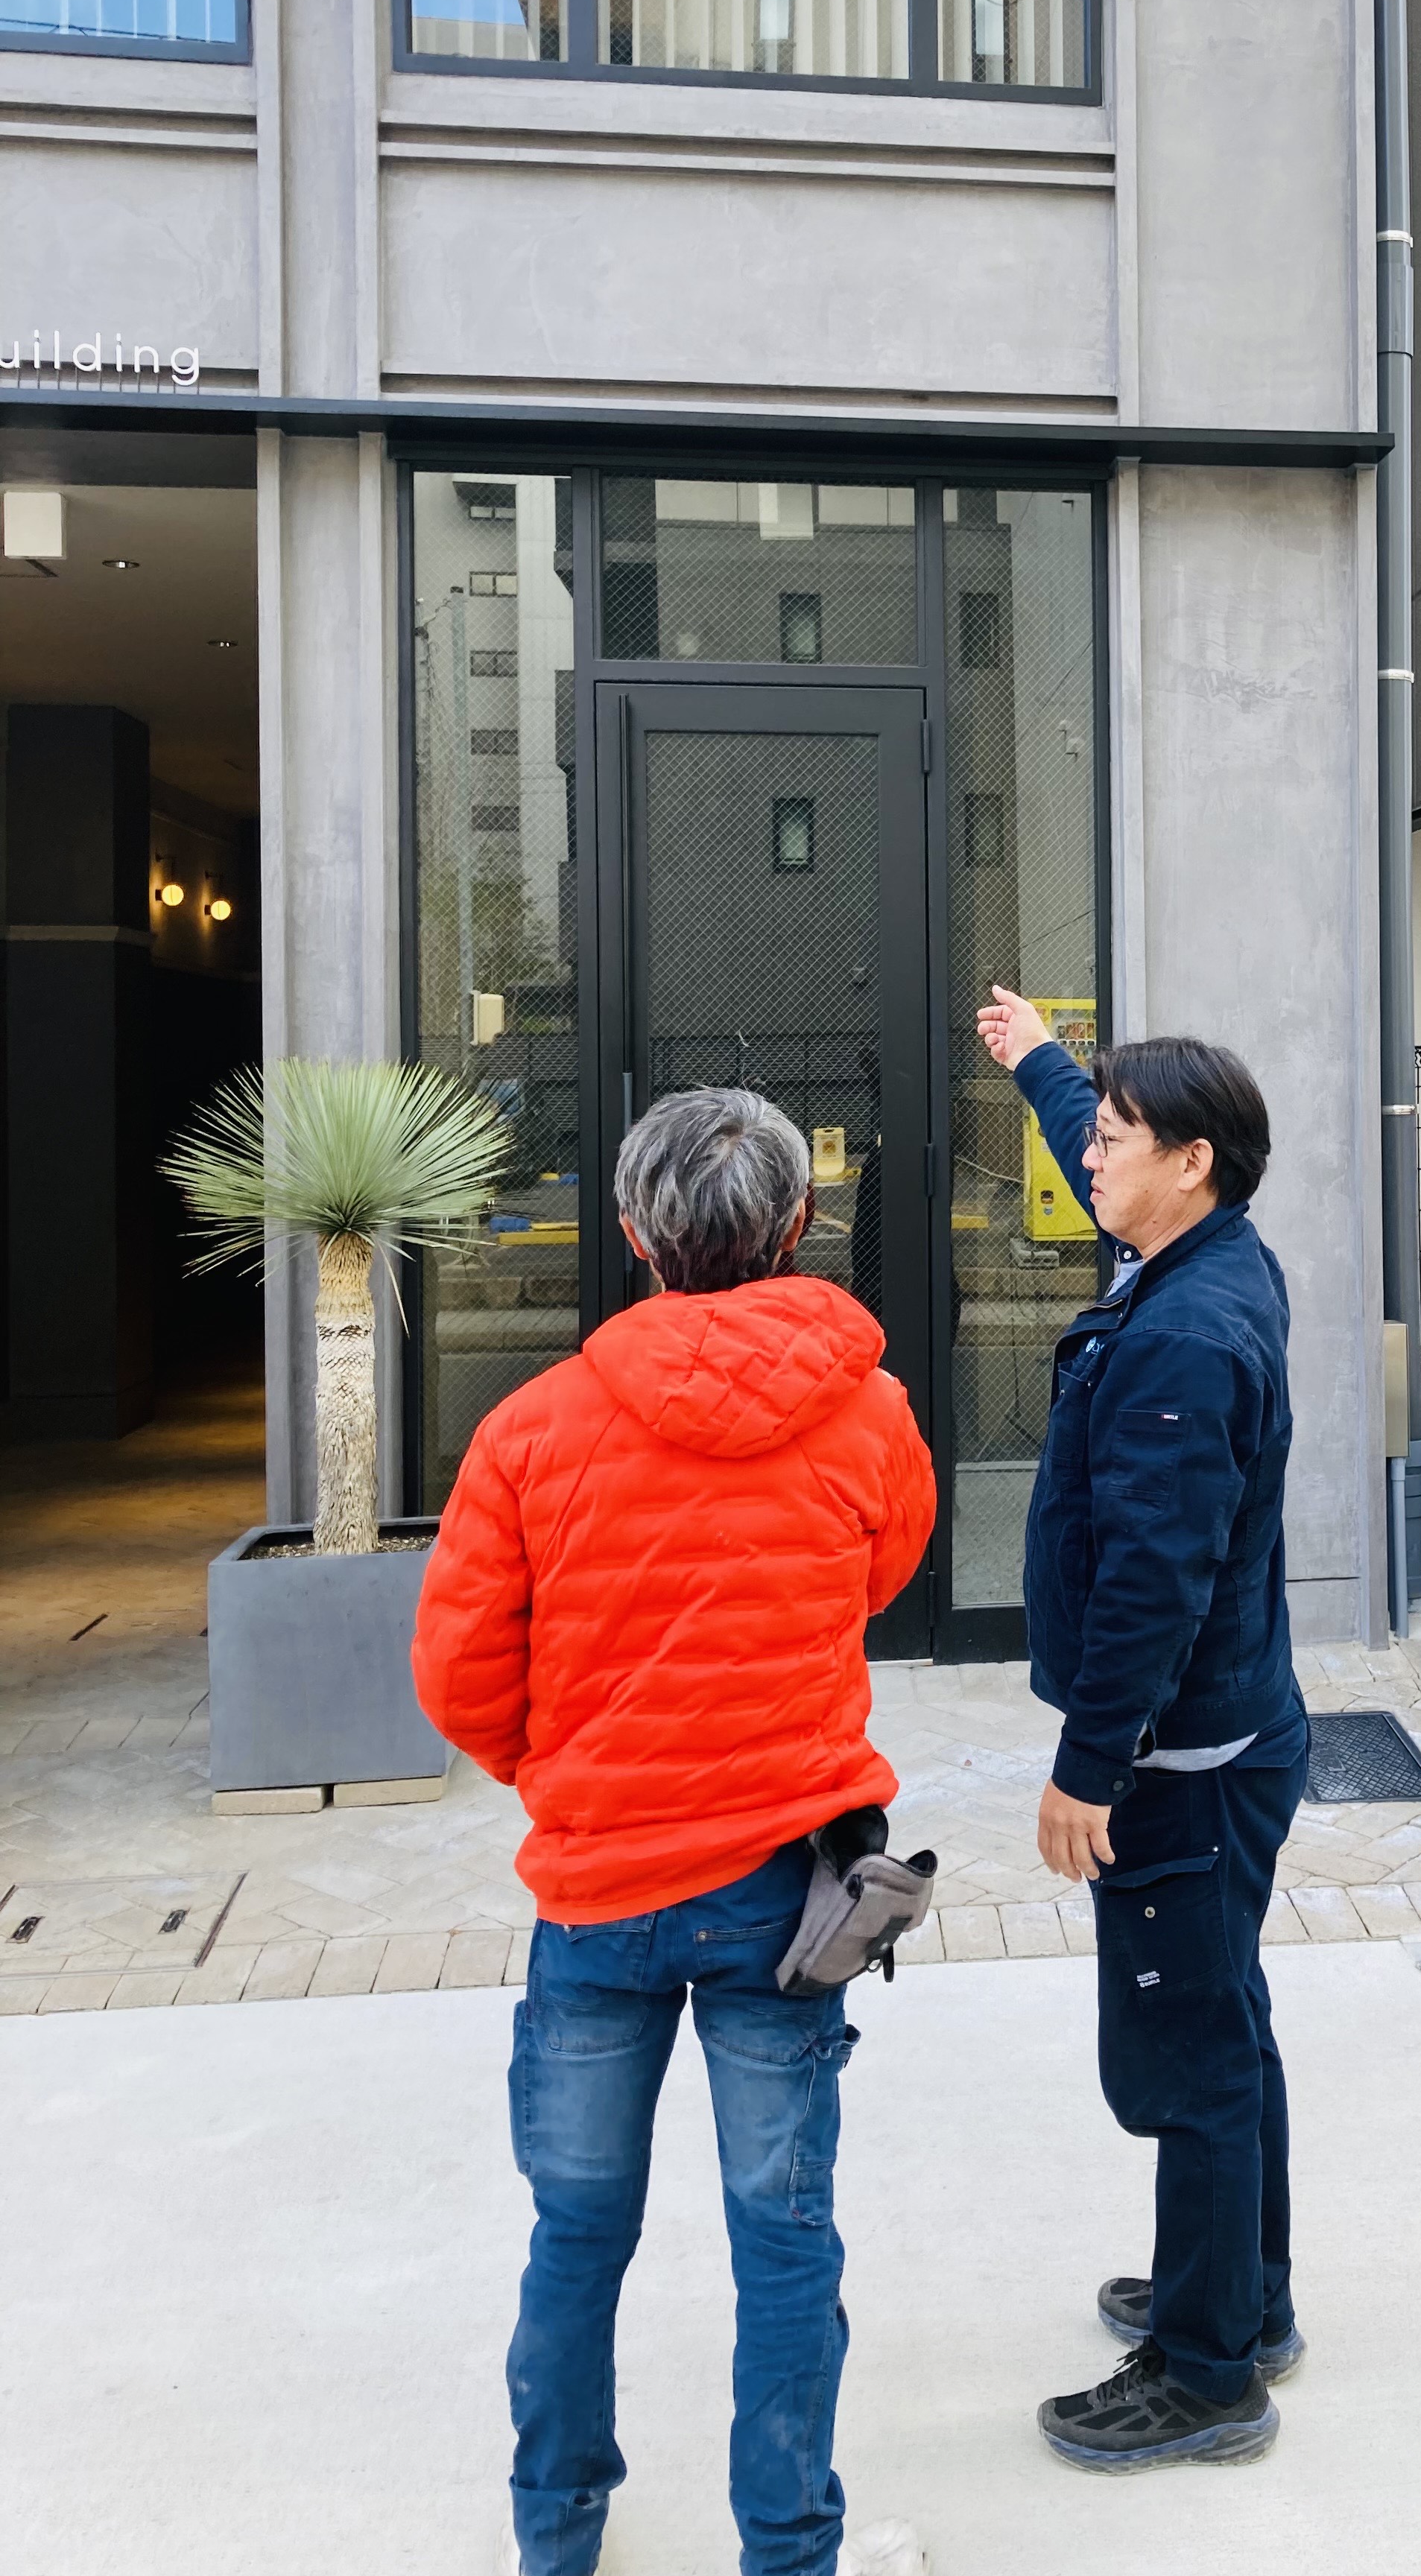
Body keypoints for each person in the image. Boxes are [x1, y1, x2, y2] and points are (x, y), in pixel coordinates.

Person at [412, 1086, 938, 2576]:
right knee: (786, 2236)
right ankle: (790, 2549)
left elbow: (457, 1675)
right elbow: (882, 1575)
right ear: (801, 1224)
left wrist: (564, 1770)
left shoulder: (531, 1430)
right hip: (789, 1898)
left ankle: (556, 2539)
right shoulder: (872, 1412)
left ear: (634, 1234)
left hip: (596, 1896)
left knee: (577, 2236)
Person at [974, 987, 1308, 2472]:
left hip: (1180, 1765)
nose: (1087, 1161)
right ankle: (1243, 2297)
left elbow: (1154, 1585)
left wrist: (1086, 1768)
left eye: (1113, 1141)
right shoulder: (1203, 1248)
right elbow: (1097, 1139)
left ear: (1191, 1161)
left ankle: (1207, 2373)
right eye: (1094, 1133)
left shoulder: (1185, 1337)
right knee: (1225, 2022)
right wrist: (1045, 1063)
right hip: (1229, 1738)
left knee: (1192, 2057)